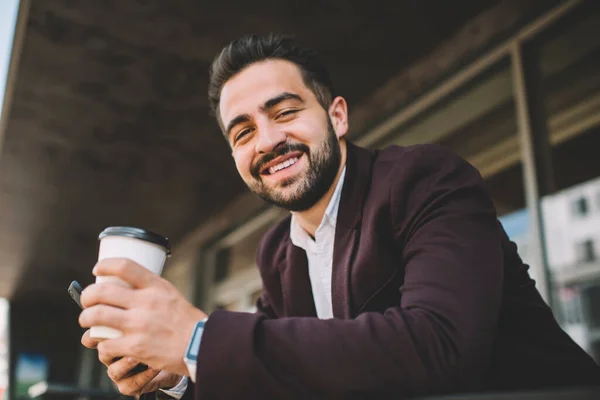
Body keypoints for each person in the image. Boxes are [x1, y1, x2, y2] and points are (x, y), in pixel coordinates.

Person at [78, 34, 600, 399]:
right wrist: (174, 372)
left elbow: (441, 346)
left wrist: (197, 338)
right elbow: (280, 377)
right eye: (242, 132)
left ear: (337, 115)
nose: (267, 140)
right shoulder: (277, 253)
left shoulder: (426, 178)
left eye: (284, 112)